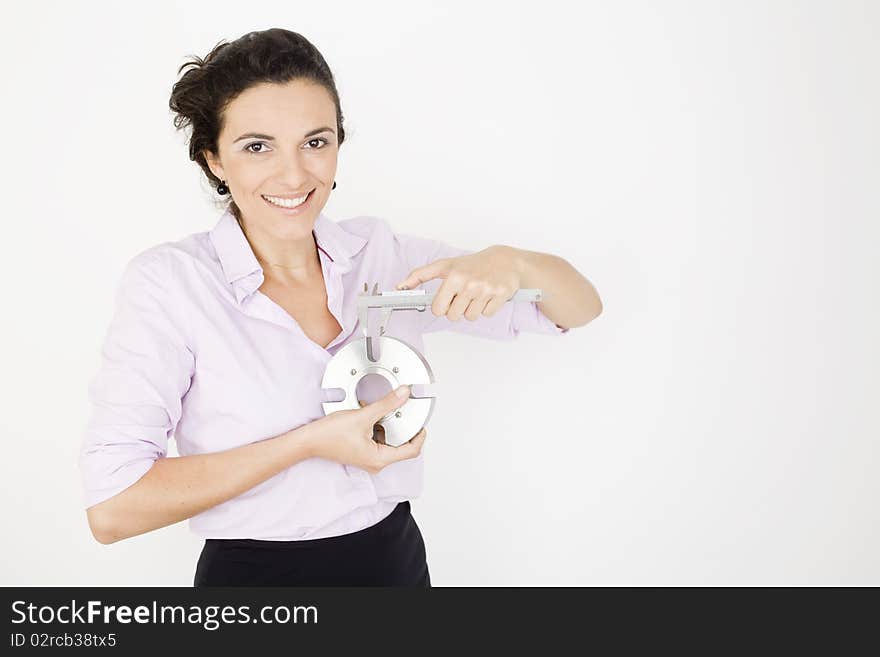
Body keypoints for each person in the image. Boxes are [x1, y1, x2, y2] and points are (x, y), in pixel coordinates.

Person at [78, 28, 601, 587]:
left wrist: (512, 262)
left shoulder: (382, 255)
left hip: (394, 561)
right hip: (257, 583)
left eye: (315, 141)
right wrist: (307, 443)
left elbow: (578, 307)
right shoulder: (170, 285)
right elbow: (113, 509)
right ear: (214, 160)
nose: (294, 174)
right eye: (258, 146)